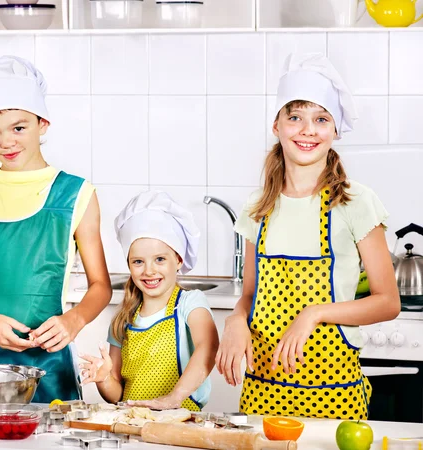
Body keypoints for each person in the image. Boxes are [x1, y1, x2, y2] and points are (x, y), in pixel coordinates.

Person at [215, 53, 400, 420]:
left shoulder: (355, 202)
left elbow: (387, 302)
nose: (307, 130)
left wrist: (314, 314)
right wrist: (235, 320)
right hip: (262, 393)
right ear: (277, 125)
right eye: (295, 117)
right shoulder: (258, 206)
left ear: (334, 130)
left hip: (333, 396)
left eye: (320, 119)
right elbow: (249, 295)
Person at [0, 55, 112, 403]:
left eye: (19, 127)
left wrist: (74, 320)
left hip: (42, 364)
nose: (6, 142)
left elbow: (101, 286)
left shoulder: (76, 194)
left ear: (42, 124)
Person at [79, 191, 219, 411]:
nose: (149, 271)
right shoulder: (123, 319)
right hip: (134, 423)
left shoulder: (189, 303)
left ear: (179, 259)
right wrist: (104, 378)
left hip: (181, 421)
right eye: (138, 262)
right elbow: (118, 397)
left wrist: (174, 397)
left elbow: (208, 346)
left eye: (160, 259)